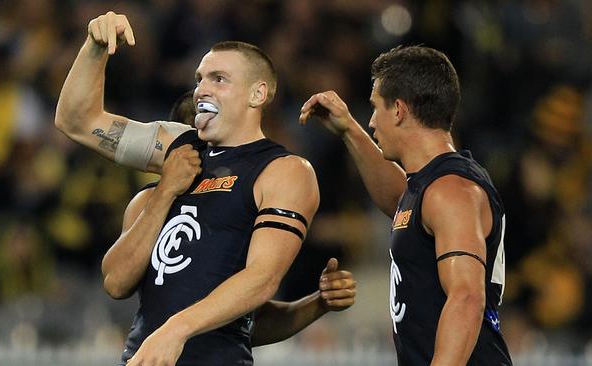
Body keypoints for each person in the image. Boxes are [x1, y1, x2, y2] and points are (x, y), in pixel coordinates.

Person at [55, 11, 356, 366]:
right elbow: (76, 122)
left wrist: (175, 329)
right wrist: (95, 46)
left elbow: (260, 282)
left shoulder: (284, 171)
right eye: (199, 78)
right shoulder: (179, 149)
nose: (202, 89)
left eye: (219, 79)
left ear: (258, 93)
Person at [300, 45, 512, 365]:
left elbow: (467, 297)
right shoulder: (431, 186)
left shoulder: (451, 191)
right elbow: (400, 202)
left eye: (374, 108)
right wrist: (349, 130)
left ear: (398, 110)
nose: (371, 121)